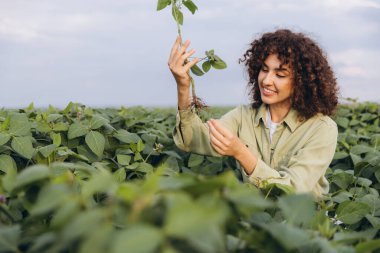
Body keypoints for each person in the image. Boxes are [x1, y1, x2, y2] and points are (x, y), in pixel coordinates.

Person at [168, 29, 339, 198]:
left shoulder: (322, 128)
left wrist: (241, 152)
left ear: (302, 81)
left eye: (280, 74)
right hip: (256, 217)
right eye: (264, 70)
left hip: (302, 221)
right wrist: (183, 87)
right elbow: (193, 140)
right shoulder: (243, 116)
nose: (266, 80)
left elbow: (293, 190)